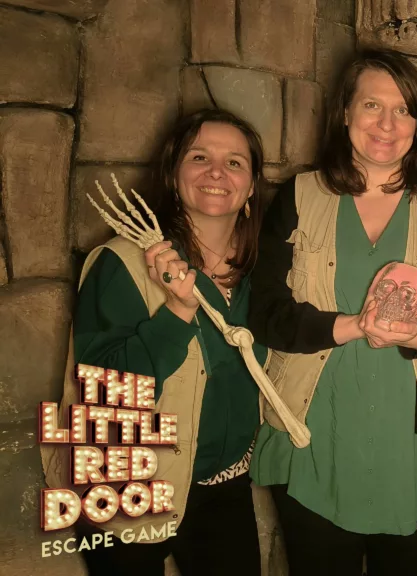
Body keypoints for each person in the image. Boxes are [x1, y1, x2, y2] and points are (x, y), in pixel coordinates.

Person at [246, 48, 417, 576]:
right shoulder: (300, 196)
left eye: (403, 110)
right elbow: (264, 313)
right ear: (345, 113)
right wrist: (350, 326)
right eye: (372, 105)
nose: (387, 124)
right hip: (315, 433)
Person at [41, 108, 268, 575]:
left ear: (250, 188)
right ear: (173, 175)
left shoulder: (257, 274)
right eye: (199, 157)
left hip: (222, 483)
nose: (216, 172)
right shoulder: (123, 262)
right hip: (131, 483)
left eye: (234, 162)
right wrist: (178, 312)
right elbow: (101, 393)